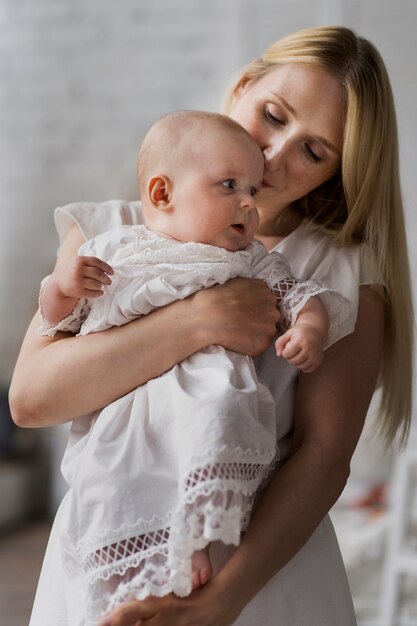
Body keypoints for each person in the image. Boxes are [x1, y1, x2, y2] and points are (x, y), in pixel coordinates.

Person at [9, 25, 413, 626]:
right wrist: (200, 320)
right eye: (273, 116)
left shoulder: (341, 274)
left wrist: (221, 601)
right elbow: (31, 399)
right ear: (243, 88)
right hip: (106, 551)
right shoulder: (110, 232)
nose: (275, 156)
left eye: (314, 150)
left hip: (263, 584)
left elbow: (323, 457)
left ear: (337, 172)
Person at [37, 110, 346, 624]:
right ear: (162, 195)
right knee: (111, 479)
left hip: (206, 391)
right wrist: (63, 284)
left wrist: (309, 329)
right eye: (230, 186)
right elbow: (58, 319)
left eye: (250, 189)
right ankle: (121, 582)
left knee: (217, 419)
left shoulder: (251, 259)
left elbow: (301, 295)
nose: (250, 201)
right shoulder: (118, 247)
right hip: (129, 409)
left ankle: (195, 540)